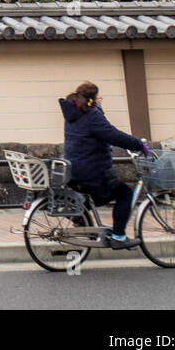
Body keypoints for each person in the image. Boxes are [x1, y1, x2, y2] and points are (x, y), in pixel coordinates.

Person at [58, 82, 151, 249]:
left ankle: (81, 220)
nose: (99, 101)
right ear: (92, 99)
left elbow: (90, 136)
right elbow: (113, 135)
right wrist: (138, 144)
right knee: (124, 194)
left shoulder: (72, 114)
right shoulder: (91, 115)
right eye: (98, 98)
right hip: (92, 170)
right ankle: (119, 237)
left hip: (74, 169)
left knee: (98, 198)